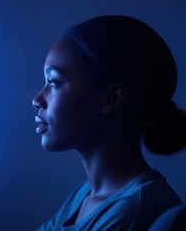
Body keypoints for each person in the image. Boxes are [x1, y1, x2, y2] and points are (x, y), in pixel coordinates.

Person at [33, 16, 186, 230]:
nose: (37, 100)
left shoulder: (132, 212)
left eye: (55, 83)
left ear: (111, 99)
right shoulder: (83, 195)